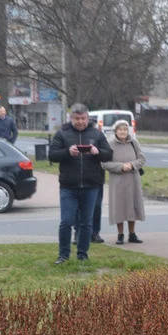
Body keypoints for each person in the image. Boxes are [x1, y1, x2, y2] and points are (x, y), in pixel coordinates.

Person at [47, 103, 113, 264]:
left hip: (91, 185)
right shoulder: (62, 134)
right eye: (77, 119)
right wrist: (67, 153)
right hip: (69, 186)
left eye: (83, 118)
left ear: (87, 117)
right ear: (71, 118)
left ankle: (82, 255)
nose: (80, 122)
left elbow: (109, 154)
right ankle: (63, 255)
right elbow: (52, 155)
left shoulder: (96, 134)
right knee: (66, 221)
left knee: (86, 222)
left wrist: (97, 152)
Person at [101, 120, 146, 245]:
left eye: (125, 129)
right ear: (116, 131)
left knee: (133, 205)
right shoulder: (110, 145)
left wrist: (132, 165)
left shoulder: (134, 143)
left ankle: (132, 233)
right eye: (120, 129)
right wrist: (121, 167)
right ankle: (120, 234)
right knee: (119, 207)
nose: (123, 132)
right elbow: (104, 163)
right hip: (118, 181)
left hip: (133, 179)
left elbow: (142, 158)